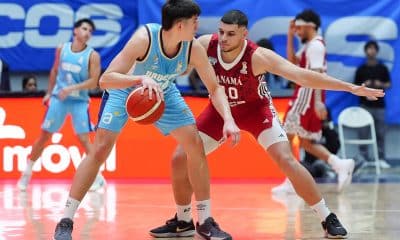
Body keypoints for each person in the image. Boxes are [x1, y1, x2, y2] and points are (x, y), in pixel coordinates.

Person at [149, 10, 384, 239]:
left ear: (244, 34)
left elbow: (303, 76)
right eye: (221, 32)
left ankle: (327, 217)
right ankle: (183, 220)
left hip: (255, 110)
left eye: (230, 34)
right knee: (180, 157)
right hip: (220, 110)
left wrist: (351, 87)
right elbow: (178, 67)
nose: (223, 38)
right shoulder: (204, 44)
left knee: (287, 160)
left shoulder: (258, 56)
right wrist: (149, 80)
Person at [53, 1, 240, 240]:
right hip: (125, 89)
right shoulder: (144, 39)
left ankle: (203, 221)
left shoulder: (193, 48)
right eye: (195, 21)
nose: (198, 26)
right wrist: (139, 79)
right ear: (180, 25)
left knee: (195, 144)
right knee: (100, 150)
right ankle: (66, 220)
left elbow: (214, 88)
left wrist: (229, 119)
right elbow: (106, 80)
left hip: (163, 91)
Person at [17, 18, 106, 192]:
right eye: (84, 28)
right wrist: (49, 93)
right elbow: (55, 70)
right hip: (59, 99)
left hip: (79, 101)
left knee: (84, 140)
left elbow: (95, 82)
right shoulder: (62, 49)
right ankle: (26, 174)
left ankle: (98, 178)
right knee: (44, 137)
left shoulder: (92, 55)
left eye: (90, 31)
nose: (87, 33)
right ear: (75, 30)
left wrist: (72, 88)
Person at [274, 9, 355, 194]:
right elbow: (292, 62)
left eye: (299, 28)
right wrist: (289, 36)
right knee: (305, 142)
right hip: (306, 95)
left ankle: (291, 181)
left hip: (306, 97)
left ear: (310, 25)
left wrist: (318, 102)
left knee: (285, 137)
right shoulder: (310, 45)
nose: (298, 32)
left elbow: (318, 74)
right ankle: (339, 164)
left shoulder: (316, 46)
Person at [354, 40, 391, 166]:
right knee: (363, 132)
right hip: (365, 105)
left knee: (380, 132)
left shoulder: (382, 68)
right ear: (365, 51)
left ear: (377, 51)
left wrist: (380, 84)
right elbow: (355, 87)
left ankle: (380, 158)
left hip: (379, 106)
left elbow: (389, 84)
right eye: (369, 48)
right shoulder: (361, 69)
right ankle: (363, 158)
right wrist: (365, 86)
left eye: (373, 48)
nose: (371, 51)